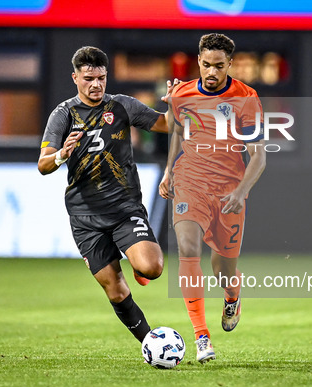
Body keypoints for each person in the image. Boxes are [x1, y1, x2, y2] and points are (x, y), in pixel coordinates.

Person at [38, 46, 175, 344]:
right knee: (115, 289)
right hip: (85, 217)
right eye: (88, 78)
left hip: (124, 209)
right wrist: (62, 153)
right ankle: (151, 344)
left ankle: (138, 261)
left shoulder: (122, 106)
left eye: (101, 77)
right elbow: (43, 165)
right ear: (75, 78)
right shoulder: (63, 115)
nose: (96, 84)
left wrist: (175, 107)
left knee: (152, 268)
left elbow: (165, 125)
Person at [160, 33, 266, 363]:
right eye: (206, 64)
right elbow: (177, 130)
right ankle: (201, 336)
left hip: (229, 193)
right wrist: (169, 171)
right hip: (191, 183)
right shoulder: (181, 93)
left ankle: (232, 295)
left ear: (230, 65)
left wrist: (241, 190)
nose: (211, 71)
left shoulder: (246, 98)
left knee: (223, 268)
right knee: (188, 248)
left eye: (219, 66)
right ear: (198, 61)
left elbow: (259, 155)